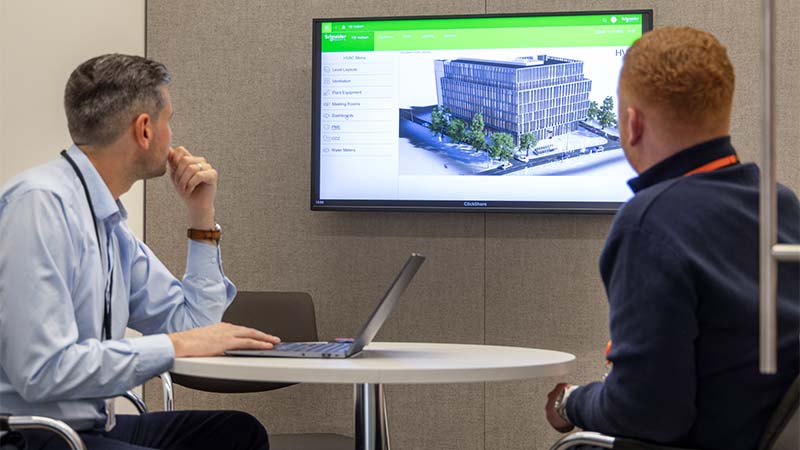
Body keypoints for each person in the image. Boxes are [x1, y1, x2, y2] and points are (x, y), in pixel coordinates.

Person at [0, 54, 282, 450]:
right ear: (145, 129)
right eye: (169, 119)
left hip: (87, 428)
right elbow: (43, 370)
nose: (173, 135)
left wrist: (201, 216)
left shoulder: (107, 223)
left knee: (238, 433)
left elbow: (193, 324)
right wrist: (174, 347)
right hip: (32, 435)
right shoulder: (40, 206)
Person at [544, 27, 800, 450]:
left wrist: (573, 403)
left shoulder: (649, 223)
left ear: (631, 124)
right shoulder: (781, 203)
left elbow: (647, 413)